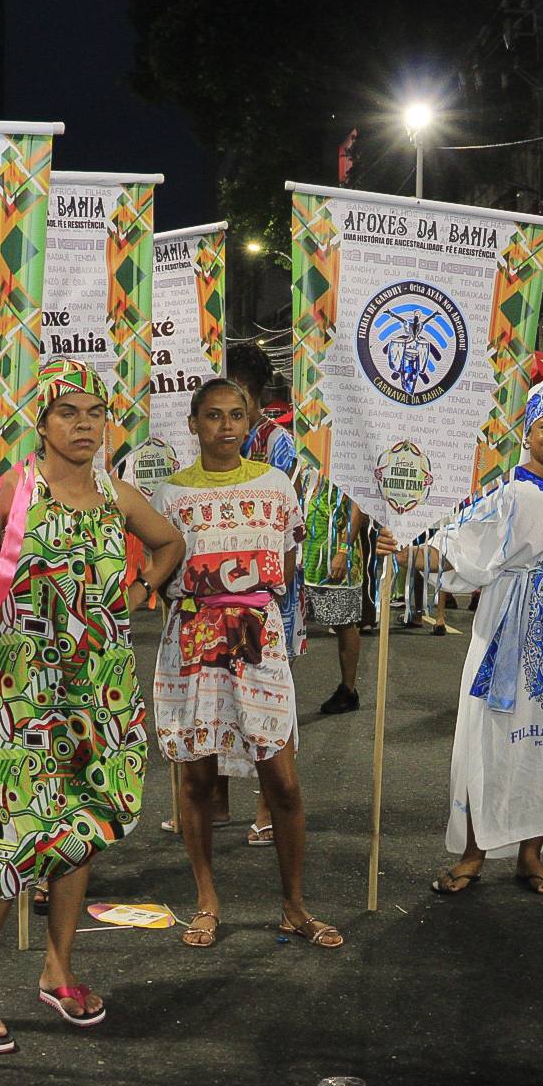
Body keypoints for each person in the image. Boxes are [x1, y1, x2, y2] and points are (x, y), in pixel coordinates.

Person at [0, 359, 184, 1049]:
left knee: (82, 825)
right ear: (41, 423)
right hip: (26, 696)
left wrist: (144, 589)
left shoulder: (119, 496)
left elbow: (170, 542)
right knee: (16, 834)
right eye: (67, 413)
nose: (84, 425)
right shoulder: (15, 492)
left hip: (100, 695)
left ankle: (58, 972)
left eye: (94, 413)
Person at [408, 378, 543, 896]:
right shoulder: (506, 493)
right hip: (513, 644)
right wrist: (403, 552)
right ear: (527, 434)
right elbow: (456, 551)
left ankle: (532, 854)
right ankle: (473, 853)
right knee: (494, 745)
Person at [155, 378, 342, 949]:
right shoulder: (168, 494)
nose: (226, 427)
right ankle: (206, 899)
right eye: (213, 416)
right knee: (198, 778)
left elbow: (283, 564)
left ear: (251, 421)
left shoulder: (276, 485)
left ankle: (294, 904)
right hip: (194, 641)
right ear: (193, 424)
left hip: (260, 643)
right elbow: (160, 572)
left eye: (237, 415)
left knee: (282, 781)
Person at [305, 485, 370, 716]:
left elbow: (357, 505)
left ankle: (348, 691)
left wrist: (344, 550)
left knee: (343, 623)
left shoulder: (345, 456)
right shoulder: (306, 457)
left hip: (335, 558)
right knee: (293, 623)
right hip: (306, 554)